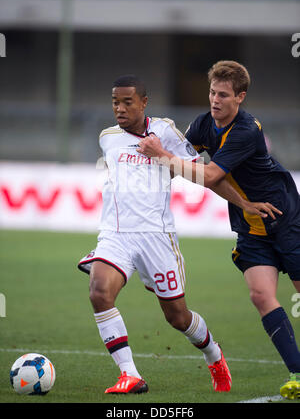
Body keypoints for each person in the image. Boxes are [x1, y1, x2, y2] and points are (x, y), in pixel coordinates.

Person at [78, 74, 279, 396]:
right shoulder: (108, 137)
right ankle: (130, 375)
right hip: (116, 235)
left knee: (177, 316)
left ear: (144, 102)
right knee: (99, 293)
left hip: (158, 238)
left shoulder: (166, 133)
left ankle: (214, 355)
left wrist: (244, 203)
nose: (120, 108)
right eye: (115, 102)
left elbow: (205, 175)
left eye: (128, 102)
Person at [137, 61, 300, 400]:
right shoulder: (202, 124)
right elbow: (186, 166)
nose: (215, 100)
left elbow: (208, 176)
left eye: (223, 95)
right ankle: (297, 374)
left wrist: (163, 155)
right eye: (212, 92)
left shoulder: (246, 130)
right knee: (260, 295)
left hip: (285, 219)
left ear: (240, 97)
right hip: (251, 226)